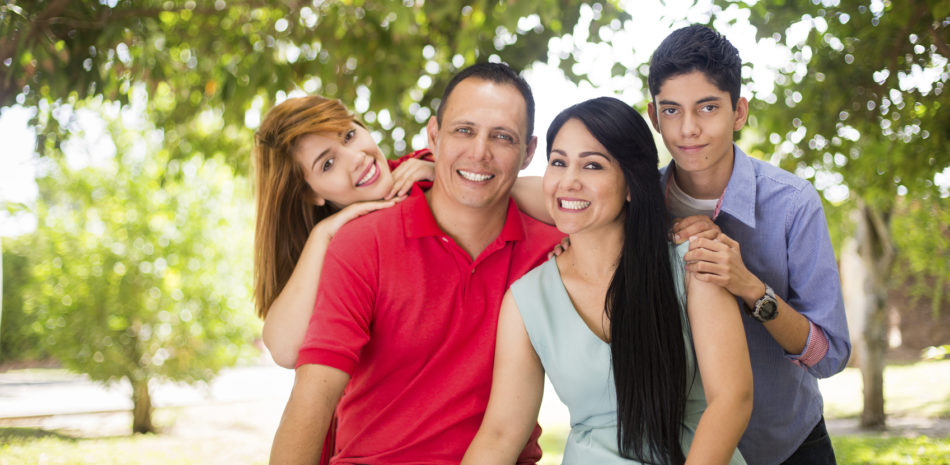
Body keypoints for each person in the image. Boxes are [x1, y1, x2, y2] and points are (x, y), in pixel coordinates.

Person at [268, 62, 564, 464]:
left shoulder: (550, 251)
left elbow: (574, 196)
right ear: (435, 135)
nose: (355, 159)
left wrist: (457, 175)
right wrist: (324, 235)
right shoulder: (353, 241)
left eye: (350, 136)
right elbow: (292, 361)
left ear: (527, 152)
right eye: (327, 164)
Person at [464, 97, 752, 464]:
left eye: (592, 165)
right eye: (558, 162)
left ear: (631, 185)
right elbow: (501, 434)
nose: (569, 181)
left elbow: (732, 399)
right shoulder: (527, 299)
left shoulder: (694, 264)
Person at [646, 25, 851, 465]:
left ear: (738, 112)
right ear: (653, 116)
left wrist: (750, 287)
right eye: (671, 110)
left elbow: (828, 356)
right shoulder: (637, 206)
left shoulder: (793, 204)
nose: (688, 128)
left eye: (708, 107)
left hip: (787, 447)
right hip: (683, 450)